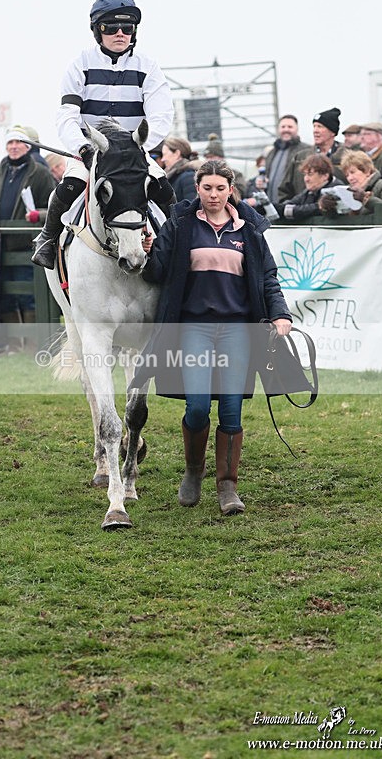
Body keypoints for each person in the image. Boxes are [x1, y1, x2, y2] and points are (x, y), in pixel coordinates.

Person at [134, 160, 292, 516]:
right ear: (197, 188)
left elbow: (268, 277)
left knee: (232, 410)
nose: (214, 195)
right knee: (198, 405)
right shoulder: (181, 225)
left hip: (238, 330)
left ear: (231, 190)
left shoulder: (248, 230)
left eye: (221, 188)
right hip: (193, 329)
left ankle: (227, 486)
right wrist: (149, 250)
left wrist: (280, 314)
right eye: (207, 188)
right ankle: (193, 471)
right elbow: (157, 273)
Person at [31, 0, 175, 269]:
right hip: (92, 152)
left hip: (134, 151)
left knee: (165, 190)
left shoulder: (149, 67)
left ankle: (181, 244)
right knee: (69, 186)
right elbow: (67, 116)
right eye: (111, 28)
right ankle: (47, 240)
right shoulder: (80, 64)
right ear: (98, 31)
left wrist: (138, 146)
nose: (120, 33)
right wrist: (83, 148)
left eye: (127, 28)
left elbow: (161, 115)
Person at [0, 125, 55, 350]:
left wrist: (39, 215)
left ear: (27, 146)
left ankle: (34, 346)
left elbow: (56, 207)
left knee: (29, 296)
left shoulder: (41, 174)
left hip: (27, 246)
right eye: (10, 143)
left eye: (18, 143)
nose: (14, 147)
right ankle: (14, 345)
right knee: (6, 296)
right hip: (0, 247)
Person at [277, 107, 347, 202]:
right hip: (303, 213)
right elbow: (284, 190)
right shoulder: (301, 158)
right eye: (314, 126)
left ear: (332, 132)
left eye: (320, 126)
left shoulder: (346, 157)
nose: (315, 130)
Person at [320, 150, 382, 221]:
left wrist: (366, 199)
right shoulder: (346, 191)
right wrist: (327, 207)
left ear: (367, 170)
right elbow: (337, 218)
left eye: (353, 172)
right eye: (347, 175)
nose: (350, 178)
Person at [275, 154, 341, 221]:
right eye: (305, 174)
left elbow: (318, 209)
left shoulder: (337, 191)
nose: (306, 179)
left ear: (325, 176)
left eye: (310, 174)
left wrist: (286, 210)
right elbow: (291, 204)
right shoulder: (309, 192)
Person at [264, 115, 310, 203]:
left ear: (297, 129)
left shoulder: (306, 151)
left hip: (294, 205)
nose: (286, 130)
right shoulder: (272, 153)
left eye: (290, 127)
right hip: (272, 204)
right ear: (278, 129)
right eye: (283, 127)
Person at [203, 133, 247, 198]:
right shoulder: (202, 175)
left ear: (221, 157)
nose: (208, 160)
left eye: (212, 157)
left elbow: (240, 194)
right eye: (207, 157)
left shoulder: (236, 175)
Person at [162, 136, 197, 202]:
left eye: (165, 154)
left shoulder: (188, 176)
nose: (163, 159)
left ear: (177, 154)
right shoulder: (174, 175)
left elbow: (191, 206)